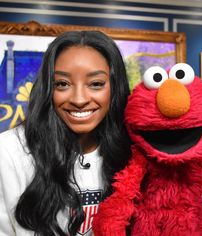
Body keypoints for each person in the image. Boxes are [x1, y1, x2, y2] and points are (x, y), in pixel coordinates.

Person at [0, 31, 131, 236]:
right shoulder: (7, 151)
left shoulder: (134, 153)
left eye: (96, 84)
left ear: (115, 88)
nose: (79, 100)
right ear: (47, 89)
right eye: (62, 84)